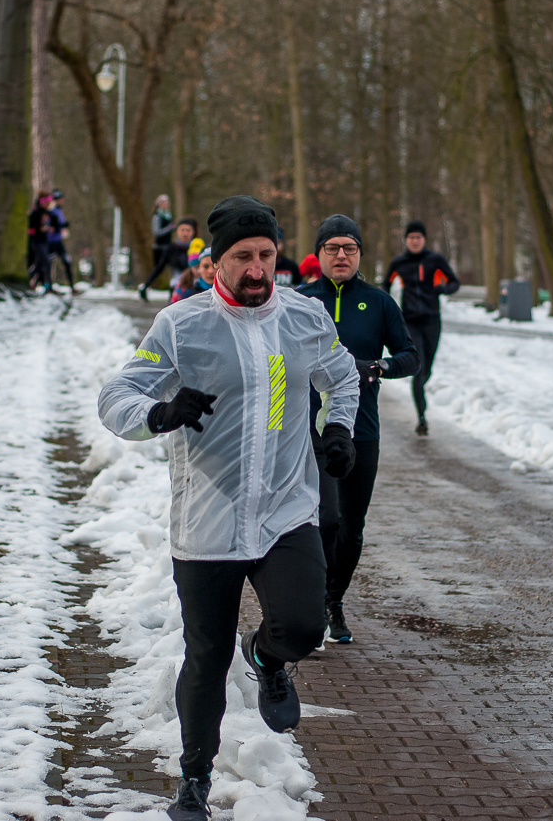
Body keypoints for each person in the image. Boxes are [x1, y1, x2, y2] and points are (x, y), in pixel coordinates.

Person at [97, 195, 359, 821]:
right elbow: (117, 396)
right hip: (208, 518)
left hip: (283, 509)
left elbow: (341, 376)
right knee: (205, 656)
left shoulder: (304, 318)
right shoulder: (182, 326)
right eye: (243, 256)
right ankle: (193, 781)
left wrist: (341, 429)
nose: (257, 268)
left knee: (301, 627)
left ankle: (267, 658)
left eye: (266, 255)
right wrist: (157, 414)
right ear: (217, 260)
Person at [299, 214, 419, 645]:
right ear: (319, 254)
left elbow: (411, 356)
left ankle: (334, 600)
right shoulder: (298, 301)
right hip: (308, 429)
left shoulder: (380, 302)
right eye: (332, 248)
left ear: (360, 254)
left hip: (361, 429)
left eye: (350, 247)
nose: (341, 255)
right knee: (324, 520)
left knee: (351, 527)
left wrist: (380, 366)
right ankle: (312, 601)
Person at [385, 220, 459, 435]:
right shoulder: (399, 262)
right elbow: (385, 285)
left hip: (432, 319)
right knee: (418, 368)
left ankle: (420, 388)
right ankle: (422, 418)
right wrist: (387, 305)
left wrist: (443, 288)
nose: (415, 241)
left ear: (424, 239)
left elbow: (454, 283)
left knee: (428, 369)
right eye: (411, 238)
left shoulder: (434, 260)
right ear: (406, 240)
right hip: (410, 321)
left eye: (418, 237)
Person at [141, 217, 197, 303]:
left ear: (193, 232)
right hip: (175, 289)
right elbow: (159, 268)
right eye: (182, 230)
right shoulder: (170, 249)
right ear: (177, 231)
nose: (185, 233)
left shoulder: (198, 249)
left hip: (195, 290)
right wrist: (146, 285)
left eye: (188, 230)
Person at [141, 195, 176, 302]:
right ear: (159, 205)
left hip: (168, 247)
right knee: (158, 270)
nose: (165, 205)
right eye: (163, 203)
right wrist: (169, 228)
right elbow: (157, 232)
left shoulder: (168, 216)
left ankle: (173, 293)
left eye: (167, 202)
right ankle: (144, 288)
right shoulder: (157, 217)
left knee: (175, 269)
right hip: (160, 248)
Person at [44, 190, 77, 294]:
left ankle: (71, 287)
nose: (62, 201)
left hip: (58, 241)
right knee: (48, 264)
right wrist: (60, 226)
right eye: (59, 199)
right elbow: (50, 226)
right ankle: (48, 287)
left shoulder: (59, 210)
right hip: (51, 242)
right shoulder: (51, 211)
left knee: (66, 262)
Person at [27, 191, 52, 291]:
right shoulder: (35, 213)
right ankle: (45, 284)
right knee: (44, 262)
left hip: (44, 241)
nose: (48, 203)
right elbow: (31, 228)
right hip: (36, 242)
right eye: (46, 201)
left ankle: (42, 284)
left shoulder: (47, 213)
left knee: (42, 263)